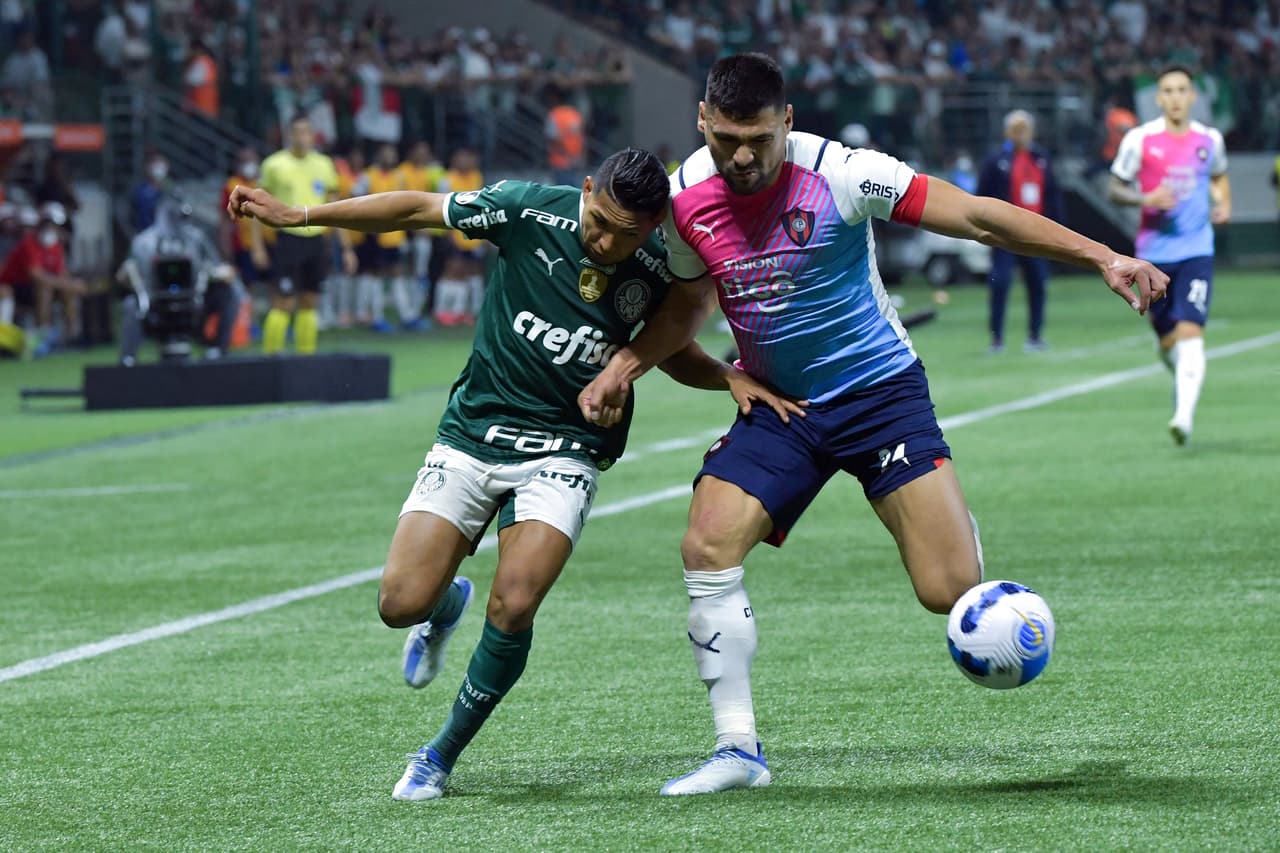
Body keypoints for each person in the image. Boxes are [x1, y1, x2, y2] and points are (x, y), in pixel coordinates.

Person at [578, 53, 1167, 796]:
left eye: (757, 138)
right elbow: (688, 306)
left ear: (786, 123)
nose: (741, 155)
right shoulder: (685, 199)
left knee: (948, 587)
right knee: (706, 541)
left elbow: (978, 216)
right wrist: (625, 365)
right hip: (782, 406)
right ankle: (738, 748)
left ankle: (951, 520)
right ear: (702, 121)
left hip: (879, 391)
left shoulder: (844, 172)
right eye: (726, 137)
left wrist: (1102, 254)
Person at [227, 147, 802, 802]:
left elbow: (669, 346)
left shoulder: (659, 264)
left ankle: (437, 755)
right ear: (586, 190)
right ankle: (445, 604)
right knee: (399, 603)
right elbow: (419, 209)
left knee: (517, 600)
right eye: (599, 220)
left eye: (624, 233)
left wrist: (726, 375)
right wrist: (302, 213)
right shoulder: (526, 207)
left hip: (567, 449)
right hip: (473, 434)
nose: (605, 240)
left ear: (650, 228)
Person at [1108, 65, 1229, 445]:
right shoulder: (1141, 140)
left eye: (1182, 90)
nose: (1176, 97)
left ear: (1193, 96)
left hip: (1196, 251)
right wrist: (1145, 197)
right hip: (1153, 256)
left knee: (1191, 334)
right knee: (1168, 343)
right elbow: (1115, 189)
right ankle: (1180, 378)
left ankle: (1183, 417)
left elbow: (1219, 175)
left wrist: (1223, 201)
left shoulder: (1209, 140)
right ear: (1158, 98)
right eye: (1168, 91)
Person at [251, 115, 352, 355]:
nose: (302, 137)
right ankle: (271, 358)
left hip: (317, 239)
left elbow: (335, 208)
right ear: (289, 135)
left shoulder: (324, 164)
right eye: (297, 132)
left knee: (310, 301)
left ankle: (306, 359)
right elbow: (256, 205)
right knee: (283, 302)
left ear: (312, 135)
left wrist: (347, 248)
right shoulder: (274, 165)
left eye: (306, 132)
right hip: (288, 239)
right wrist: (257, 247)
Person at [977, 109, 1063, 353]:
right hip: (1004, 234)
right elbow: (982, 195)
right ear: (1007, 132)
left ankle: (1035, 336)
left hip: (1035, 232)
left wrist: (1056, 228)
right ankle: (996, 338)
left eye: (1024, 129)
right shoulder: (996, 161)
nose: (1020, 134)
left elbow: (1052, 193)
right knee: (1000, 283)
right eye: (1016, 129)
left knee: (1037, 283)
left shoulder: (1041, 158)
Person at [117, 195, 239, 366]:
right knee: (131, 305)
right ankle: (128, 358)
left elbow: (219, 267)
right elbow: (124, 274)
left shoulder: (197, 238)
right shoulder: (143, 242)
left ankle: (219, 349)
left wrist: (218, 273)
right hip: (154, 306)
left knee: (230, 293)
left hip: (193, 303)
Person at [0, 203, 86, 357]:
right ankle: (42, 338)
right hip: (16, 287)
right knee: (45, 289)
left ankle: (72, 337)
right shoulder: (29, 243)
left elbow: (61, 273)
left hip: (35, 287)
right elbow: (36, 275)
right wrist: (69, 284)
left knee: (67, 293)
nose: (51, 229)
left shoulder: (56, 246)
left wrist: (71, 285)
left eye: (55, 226)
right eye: (49, 225)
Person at [433, 148, 486, 326]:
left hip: (473, 232)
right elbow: (441, 207)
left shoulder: (476, 176)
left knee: (471, 271)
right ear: (455, 159)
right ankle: (441, 310)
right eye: (464, 156)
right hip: (453, 231)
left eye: (471, 157)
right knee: (452, 270)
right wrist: (447, 233)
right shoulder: (446, 180)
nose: (468, 161)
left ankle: (462, 310)